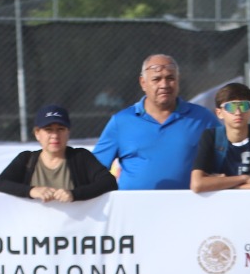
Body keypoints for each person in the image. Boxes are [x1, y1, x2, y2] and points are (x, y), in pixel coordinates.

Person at [92, 54, 217, 190]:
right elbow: (93, 171)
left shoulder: (203, 118)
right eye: (156, 79)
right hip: (134, 203)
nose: (164, 85)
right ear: (143, 83)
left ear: (178, 80)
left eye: (170, 78)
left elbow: (227, 160)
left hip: (188, 203)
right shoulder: (121, 122)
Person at [0, 104, 118, 203]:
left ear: (68, 132)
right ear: (37, 133)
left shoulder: (81, 157)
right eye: (48, 130)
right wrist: (31, 191)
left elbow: (109, 182)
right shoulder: (26, 159)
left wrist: (74, 194)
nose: (55, 135)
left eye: (60, 129)